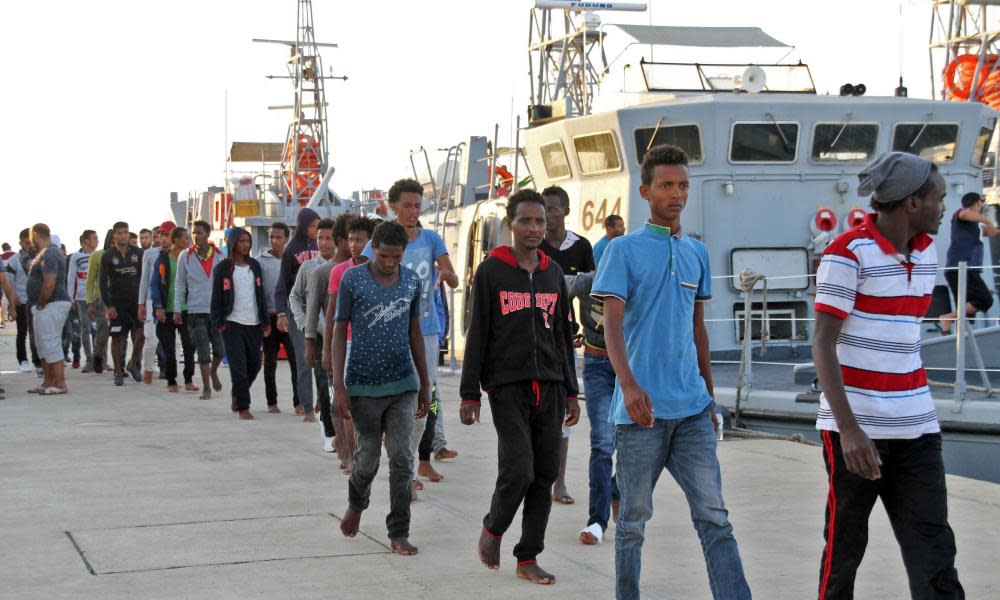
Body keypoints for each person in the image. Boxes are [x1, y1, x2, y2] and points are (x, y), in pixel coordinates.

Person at [592, 145, 749, 600]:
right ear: (646, 192)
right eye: (666, 185)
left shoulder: (697, 253)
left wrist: (710, 394)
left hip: (693, 412)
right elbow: (612, 326)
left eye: (682, 185)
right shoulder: (622, 251)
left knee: (715, 518)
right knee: (634, 523)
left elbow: (697, 330)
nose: (676, 193)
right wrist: (628, 385)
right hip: (640, 415)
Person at [812, 152, 964, 599]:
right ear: (912, 202)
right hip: (856, 433)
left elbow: (901, 338)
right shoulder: (846, 254)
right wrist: (850, 431)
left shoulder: (927, 252)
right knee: (845, 550)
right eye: (938, 198)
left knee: (935, 550)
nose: (944, 206)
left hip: (917, 427)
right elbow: (823, 343)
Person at [459, 189, 580, 585]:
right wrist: (469, 393)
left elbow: (563, 334)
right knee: (519, 469)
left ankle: (528, 556)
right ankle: (493, 529)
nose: (533, 228)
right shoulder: (491, 272)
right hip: (507, 386)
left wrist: (571, 389)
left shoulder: (552, 274)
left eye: (540, 221)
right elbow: (477, 333)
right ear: (510, 223)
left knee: (544, 473)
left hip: (551, 385)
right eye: (525, 221)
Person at [331, 221, 430, 556]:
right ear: (373, 248)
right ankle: (357, 504)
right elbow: (338, 329)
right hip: (363, 385)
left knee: (402, 457)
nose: (390, 262)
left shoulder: (412, 281)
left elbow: (415, 333)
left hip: (403, 382)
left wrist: (425, 384)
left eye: (396, 257)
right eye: (384, 255)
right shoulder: (352, 280)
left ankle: (398, 531)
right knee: (368, 458)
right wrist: (339, 386)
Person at [363, 178, 459, 496]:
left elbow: (454, 278)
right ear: (393, 206)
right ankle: (398, 461)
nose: (413, 211)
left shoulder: (431, 238)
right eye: (407, 205)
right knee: (394, 399)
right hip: (389, 331)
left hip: (426, 332)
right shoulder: (382, 237)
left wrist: (445, 274)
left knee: (425, 400)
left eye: (418, 205)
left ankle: (412, 462)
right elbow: (365, 279)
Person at [539, 185, 595, 506]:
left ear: (566, 211)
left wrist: (585, 331)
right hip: (534, 338)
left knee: (564, 412)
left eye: (553, 209)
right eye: (543, 209)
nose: (547, 215)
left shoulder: (581, 247)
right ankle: (535, 477)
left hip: (564, 340)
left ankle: (558, 482)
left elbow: (591, 294)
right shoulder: (535, 246)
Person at [565, 266, 620, 545]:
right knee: (601, 442)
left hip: (631, 367)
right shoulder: (588, 281)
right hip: (597, 364)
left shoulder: (634, 279)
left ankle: (616, 489)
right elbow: (552, 287)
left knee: (636, 442)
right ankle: (596, 521)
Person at [323, 215, 376, 472]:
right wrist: (326, 350)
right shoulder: (338, 272)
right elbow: (332, 315)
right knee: (346, 404)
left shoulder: (380, 269)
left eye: (360, 240)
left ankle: (363, 454)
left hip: (374, 345)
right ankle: (350, 456)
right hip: (347, 343)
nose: (355, 245)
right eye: (352, 239)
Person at [212, 227, 270, 420]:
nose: (245, 245)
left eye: (248, 241)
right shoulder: (222, 268)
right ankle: (243, 407)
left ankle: (238, 392)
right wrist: (219, 323)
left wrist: (265, 320)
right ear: (233, 243)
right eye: (241, 241)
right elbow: (217, 299)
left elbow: (260, 296)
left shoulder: (255, 266)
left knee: (254, 364)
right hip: (232, 324)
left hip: (254, 323)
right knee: (238, 367)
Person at [289, 218, 336, 445]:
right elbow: (294, 296)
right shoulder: (308, 268)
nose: (324, 242)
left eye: (329, 238)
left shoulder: (344, 267)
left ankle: (340, 426)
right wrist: (303, 322)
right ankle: (329, 432)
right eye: (320, 238)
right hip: (317, 335)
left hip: (340, 335)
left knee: (340, 384)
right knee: (323, 383)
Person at [275, 208, 320, 422]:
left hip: (320, 309)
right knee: (304, 360)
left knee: (323, 360)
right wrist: (282, 312)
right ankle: (307, 406)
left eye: (318, 227)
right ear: (303, 226)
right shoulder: (291, 249)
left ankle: (323, 402)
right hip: (299, 311)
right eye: (312, 226)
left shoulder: (321, 246)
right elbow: (282, 285)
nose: (316, 231)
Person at [174, 220, 225, 399]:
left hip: (216, 311)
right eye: (194, 233)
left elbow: (226, 285)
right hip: (196, 311)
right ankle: (206, 387)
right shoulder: (185, 256)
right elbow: (180, 285)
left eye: (200, 232)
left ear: (208, 235)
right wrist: (177, 309)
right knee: (203, 350)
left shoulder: (219, 256)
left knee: (220, 349)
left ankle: (213, 371)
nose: (196, 236)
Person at [938, 191, 999, 334]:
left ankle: (947, 334)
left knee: (966, 310)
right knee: (984, 300)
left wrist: (991, 228)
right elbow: (964, 214)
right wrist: (988, 220)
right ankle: (947, 318)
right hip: (962, 267)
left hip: (961, 268)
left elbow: (991, 232)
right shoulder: (962, 213)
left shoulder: (974, 225)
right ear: (978, 202)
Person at [26, 223, 73, 395]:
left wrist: (40, 302)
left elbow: (50, 281)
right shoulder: (44, 253)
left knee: (51, 343)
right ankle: (47, 382)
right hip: (44, 305)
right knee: (42, 345)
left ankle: (60, 384)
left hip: (52, 303)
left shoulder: (50, 252)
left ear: (36, 235)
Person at [259, 222, 299, 413]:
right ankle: (271, 402)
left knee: (296, 361)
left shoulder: (293, 260)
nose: (274, 241)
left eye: (278, 237)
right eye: (271, 237)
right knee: (270, 362)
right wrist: (262, 319)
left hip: (291, 318)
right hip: (269, 317)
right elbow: (256, 292)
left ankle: (299, 402)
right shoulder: (260, 262)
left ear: (287, 239)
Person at [100, 222, 146, 387]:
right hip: (117, 303)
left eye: (126, 232)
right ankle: (118, 372)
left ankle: (132, 364)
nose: (123, 235)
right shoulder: (107, 256)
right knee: (117, 338)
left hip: (136, 302)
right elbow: (102, 283)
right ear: (114, 236)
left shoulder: (139, 253)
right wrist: (109, 305)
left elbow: (144, 277)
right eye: (119, 233)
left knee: (141, 334)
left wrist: (144, 301)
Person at [151, 226, 196, 393]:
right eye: (185, 238)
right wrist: (158, 306)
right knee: (169, 347)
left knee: (189, 345)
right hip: (167, 309)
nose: (188, 241)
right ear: (176, 239)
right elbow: (155, 284)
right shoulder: (162, 260)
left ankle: (189, 380)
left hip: (186, 309)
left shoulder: (191, 258)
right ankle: (171, 380)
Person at [137, 225, 167, 383]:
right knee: (152, 338)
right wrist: (141, 304)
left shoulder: (179, 254)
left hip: (171, 302)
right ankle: (147, 368)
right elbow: (144, 280)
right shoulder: (149, 254)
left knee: (173, 341)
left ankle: (170, 373)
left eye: (166, 234)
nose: (162, 238)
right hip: (151, 301)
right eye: (160, 235)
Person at [7, 229, 38, 373]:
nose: (29, 245)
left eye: (31, 242)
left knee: (36, 333)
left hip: (36, 301)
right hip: (21, 301)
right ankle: (23, 360)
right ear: (20, 243)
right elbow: (9, 282)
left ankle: (38, 361)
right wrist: (12, 301)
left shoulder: (39, 257)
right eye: (26, 243)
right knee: (22, 332)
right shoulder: (14, 261)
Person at [67, 230, 98, 372]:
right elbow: (71, 277)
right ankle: (89, 359)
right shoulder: (76, 257)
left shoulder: (99, 255)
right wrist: (70, 298)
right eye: (94, 238)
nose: (97, 241)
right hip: (81, 298)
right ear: (86, 241)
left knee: (98, 329)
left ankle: (99, 359)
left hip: (97, 298)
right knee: (85, 329)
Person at [85, 230, 113, 375]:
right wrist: (89, 303)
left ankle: (115, 364)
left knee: (119, 333)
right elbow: (90, 281)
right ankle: (97, 356)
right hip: (101, 299)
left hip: (119, 299)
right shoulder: (97, 255)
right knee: (103, 332)